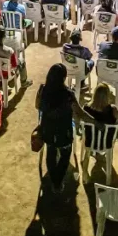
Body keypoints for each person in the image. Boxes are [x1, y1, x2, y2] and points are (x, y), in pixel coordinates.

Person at [35, 63, 86, 193]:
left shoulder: (43, 89)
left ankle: (54, 182)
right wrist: (95, 122)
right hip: (64, 131)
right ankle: (58, 181)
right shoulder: (68, 94)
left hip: (48, 130)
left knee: (50, 154)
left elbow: (37, 106)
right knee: (64, 156)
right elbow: (79, 112)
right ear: (63, 78)